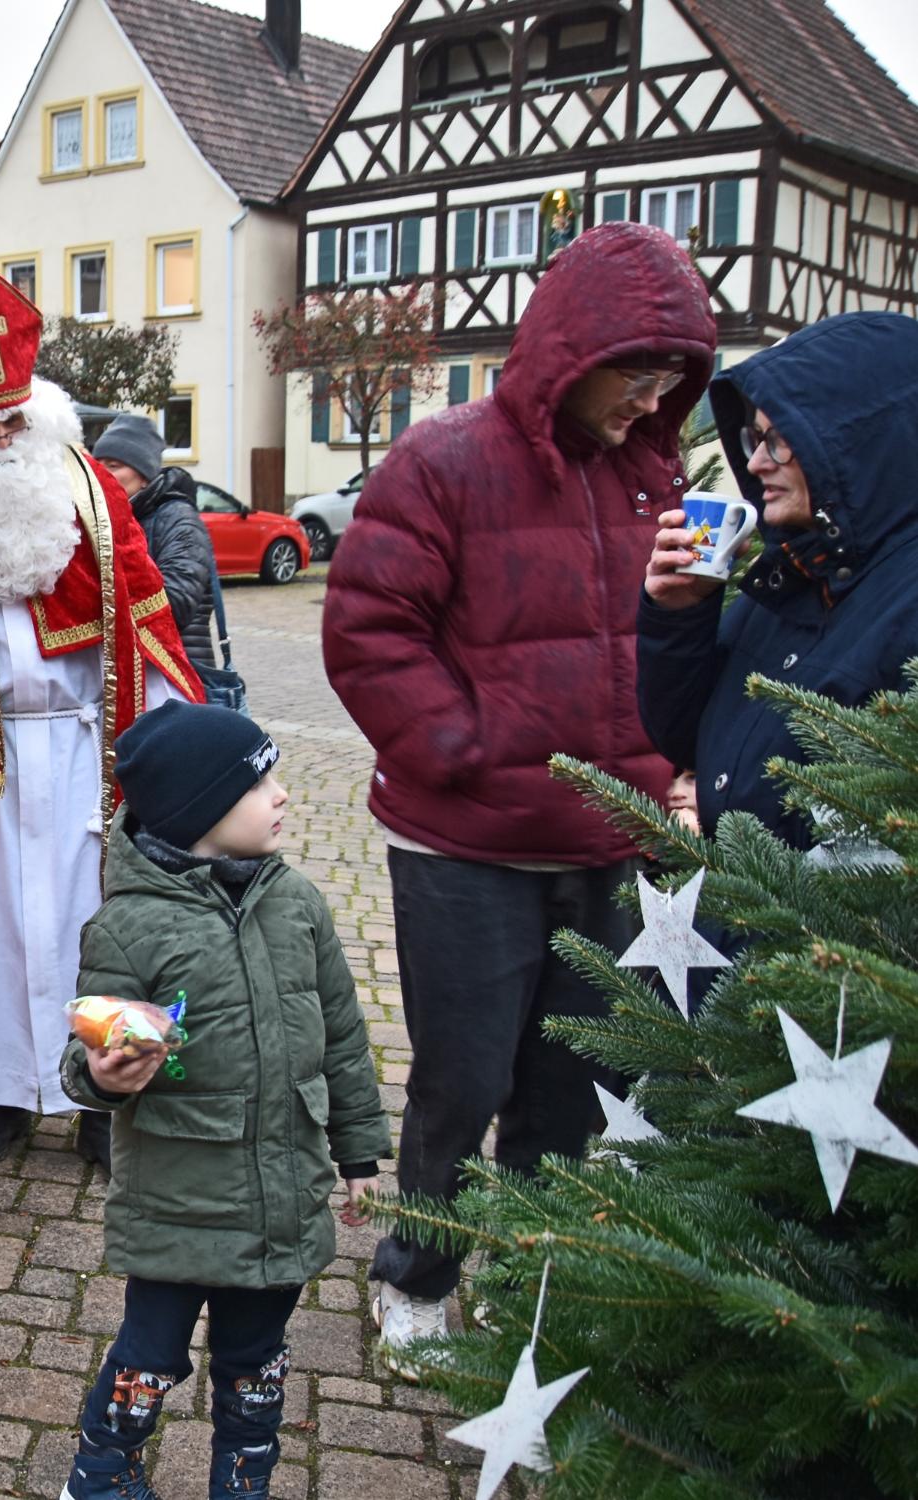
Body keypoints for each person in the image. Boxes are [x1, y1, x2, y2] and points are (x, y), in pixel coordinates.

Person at [321, 220, 716, 1371]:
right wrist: (460, 743)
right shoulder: (441, 461)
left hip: (613, 847)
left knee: (571, 1085)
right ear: (569, 351)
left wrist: (677, 753)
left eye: (670, 377)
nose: (648, 399)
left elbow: (664, 641)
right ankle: (419, 1275)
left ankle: (533, 1275)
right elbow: (367, 627)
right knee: (464, 1073)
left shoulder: (656, 479)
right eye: (632, 369)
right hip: (467, 848)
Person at [0, 253, 201, 1165]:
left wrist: (166, 744)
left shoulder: (88, 489)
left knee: (100, 924)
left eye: (12, 417)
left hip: (87, 753)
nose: (1, 437)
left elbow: (144, 614)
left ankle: (103, 1093)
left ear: (37, 404)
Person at [58, 699, 387, 1499]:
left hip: (281, 1194)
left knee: (257, 1366)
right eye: (259, 783)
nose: (281, 795)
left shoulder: (298, 905)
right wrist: (103, 1075)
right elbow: (84, 1051)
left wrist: (359, 1151)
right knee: (149, 1357)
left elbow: (342, 1036)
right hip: (179, 1198)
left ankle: (243, 1478)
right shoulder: (129, 926)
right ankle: (102, 1473)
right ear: (198, 812)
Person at [638, 311, 918, 850]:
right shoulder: (795, 575)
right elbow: (685, 736)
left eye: (783, 439)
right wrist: (678, 615)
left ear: (855, 443)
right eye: (755, 438)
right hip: (740, 920)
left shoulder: (903, 601)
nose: (759, 462)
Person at [93, 413, 223, 671]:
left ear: (144, 476)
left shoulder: (178, 519)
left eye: (114, 466)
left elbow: (177, 603)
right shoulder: (110, 520)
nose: (102, 475)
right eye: (98, 465)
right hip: (139, 671)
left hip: (179, 676)